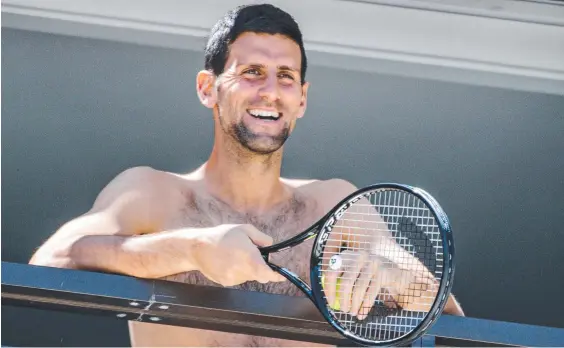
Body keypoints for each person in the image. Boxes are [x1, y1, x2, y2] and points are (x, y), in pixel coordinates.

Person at [29, 3, 464, 346]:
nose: (270, 91)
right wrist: (194, 249)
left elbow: (446, 310)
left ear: (302, 99)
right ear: (207, 88)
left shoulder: (333, 203)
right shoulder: (152, 192)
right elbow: (48, 263)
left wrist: (386, 274)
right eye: (252, 72)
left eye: (286, 77)